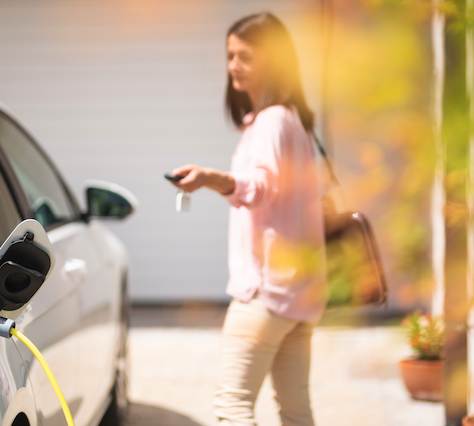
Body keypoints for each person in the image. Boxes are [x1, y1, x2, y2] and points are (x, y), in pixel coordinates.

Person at [168, 12, 327, 426]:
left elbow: (261, 188)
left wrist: (209, 178)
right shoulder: (294, 119)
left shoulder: (274, 120)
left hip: (265, 293)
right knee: (296, 411)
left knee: (232, 408)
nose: (233, 65)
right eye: (229, 56)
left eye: (245, 57)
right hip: (299, 293)